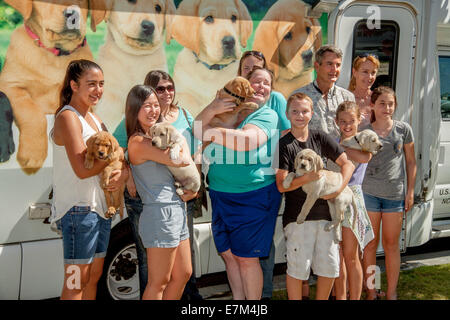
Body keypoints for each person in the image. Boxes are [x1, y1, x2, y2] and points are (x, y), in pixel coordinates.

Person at [113, 70, 202, 300]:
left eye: (155, 105)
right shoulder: (138, 142)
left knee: (183, 274)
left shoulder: (157, 136)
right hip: (160, 214)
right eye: (147, 106)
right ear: (134, 110)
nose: (153, 110)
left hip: (177, 209)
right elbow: (179, 159)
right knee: (158, 282)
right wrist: (181, 144)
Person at [194, 67, 282, 300]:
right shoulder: (229, 110)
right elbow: (195, 130)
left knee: (246, 259)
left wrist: (211, 131)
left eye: (266, 83)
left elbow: (246, 142)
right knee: (230, 256)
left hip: (252, 196)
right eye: (255, 82)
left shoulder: (267, 114)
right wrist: (213, 107)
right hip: (221, 195)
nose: (260, 87)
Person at [50, 59, 128, 300]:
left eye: (102, 84)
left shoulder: (94, 118)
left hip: (100, 210)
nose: (98, 90)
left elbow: (116, 157)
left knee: (93, 276)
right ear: (74, 85)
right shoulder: (67, 116)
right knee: (75, 281)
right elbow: (82, 170)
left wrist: (122, 170)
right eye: (91, 84)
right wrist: (114, 154)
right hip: (78, 211)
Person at [275, 92, 354, 300]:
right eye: (295, 111)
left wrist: (338, 190)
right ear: (287, 114)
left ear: (311, 113)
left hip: (326, 216)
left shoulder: (320, 137)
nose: (300, 115)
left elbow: (348, 164)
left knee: (329, 266)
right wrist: (309, 177)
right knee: (298, 269)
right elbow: (282, 185)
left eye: (304, 111)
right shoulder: (284, 144)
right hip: (298, 220)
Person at [238, 50, 288, 300]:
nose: (251, 74)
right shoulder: (234, 97)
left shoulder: (276, 99)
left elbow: (287, 135)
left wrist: (281, 168)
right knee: (239, 250)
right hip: (236, 185)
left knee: (263, 244)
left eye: (257, 69)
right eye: (247, 69)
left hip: (266, 183)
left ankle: (264, 296)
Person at [361, 86, 416, 300]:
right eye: (382, 103)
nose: (387, 107)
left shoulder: (403, 129)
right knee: (370, 245)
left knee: (392, 245)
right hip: (369, 194)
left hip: (394, 195)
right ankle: (372, 291)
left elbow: (411, 162)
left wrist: (410, 192)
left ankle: (391, 292)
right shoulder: (365, 130)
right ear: (373, 105)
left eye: (391, 103)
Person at [333, 101, 375, 300]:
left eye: (351, 121)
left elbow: (364, 157)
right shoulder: (333, 141)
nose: (347, 125)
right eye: (343, 121)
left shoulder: (363, 143)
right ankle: (340, 296)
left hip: (353, 201)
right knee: (337, 257)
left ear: (360, 120)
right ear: (336, 122)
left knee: (351, 255)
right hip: (333, 198)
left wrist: (338, 148)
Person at [291, 45, 355, 139]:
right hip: (310, 152)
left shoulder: (347, 97)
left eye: (338, 65)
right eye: (329, 64)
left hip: (341, 151)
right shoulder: (299, 96)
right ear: (317, 66)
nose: (334, 69)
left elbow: (353, 131)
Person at [348, 54, 380, 128]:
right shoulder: (346, 98)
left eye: (373, 72)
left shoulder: (379, 99)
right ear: (354, 72)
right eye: (365, 72)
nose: (369, 77)